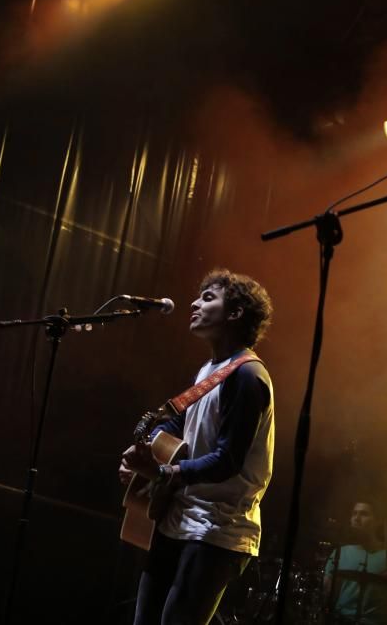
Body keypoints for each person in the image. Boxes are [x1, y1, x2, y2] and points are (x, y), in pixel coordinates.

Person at [119, 268, 275, 625]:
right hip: (180, 517)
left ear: (235, 314)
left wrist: (161, 472)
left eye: (208, 298)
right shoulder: (209, 370)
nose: (194, 302)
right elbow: (181, 425)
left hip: (216, 530)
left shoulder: (249, 376)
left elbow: (227, 460)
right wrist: (141, 457)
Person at [323, 500, 387, 625]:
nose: (356, 518)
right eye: (354, 513)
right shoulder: (339, 553)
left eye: (364, 514)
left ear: (377, 522)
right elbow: (325, 593)